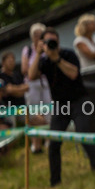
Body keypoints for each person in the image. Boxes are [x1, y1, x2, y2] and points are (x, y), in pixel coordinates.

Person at [28, 27, 95, 186]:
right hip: (61, 106)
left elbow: (74, 74)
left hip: (79, 101)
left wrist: (57, 59)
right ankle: (55, 182)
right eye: (48, 41)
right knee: (54, 142)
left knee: (84, 135)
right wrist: (39, 54)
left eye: (54, 41)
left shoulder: (68, 55)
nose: (52, 44)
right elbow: (31, 75)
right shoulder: (43, 61)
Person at [22, 23, 53, 154]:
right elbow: (25, 70)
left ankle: (50, 140)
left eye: (40, 34)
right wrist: (37, 71)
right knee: (34, 114)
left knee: (49, 112)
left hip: (46, 84)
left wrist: (36, 71)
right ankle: (36, 144)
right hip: (32, 86)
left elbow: (50, 67)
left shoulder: (48, 48)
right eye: (35, 34)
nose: (38, 36)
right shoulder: (27, 50)